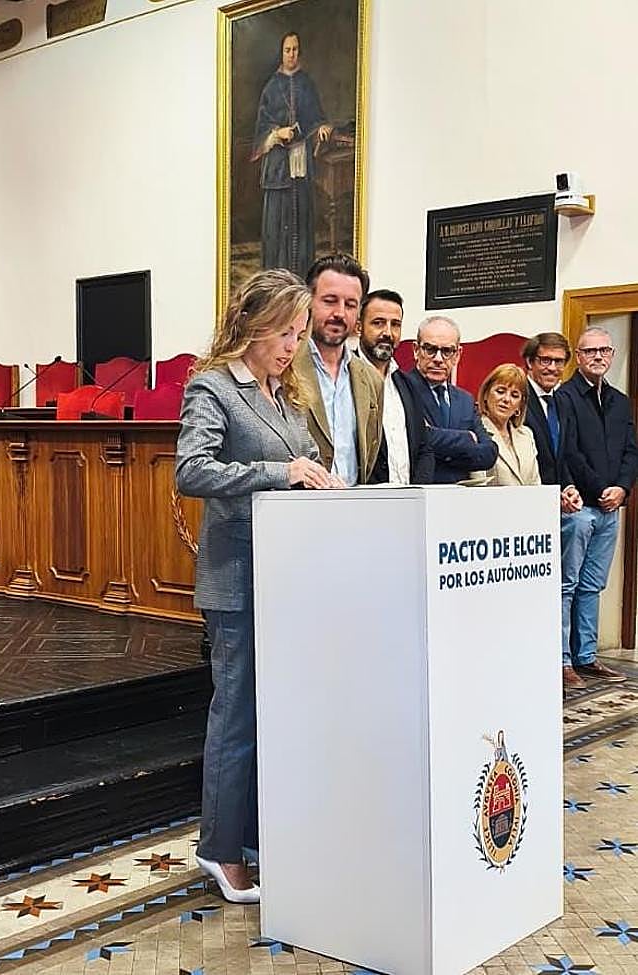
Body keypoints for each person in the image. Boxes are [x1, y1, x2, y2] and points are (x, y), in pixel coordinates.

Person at [175, 268, 340, 904]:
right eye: (286, 333)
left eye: (299, 334)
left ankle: (259, 837)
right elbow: (193, 469)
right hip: (238, 579)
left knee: (274, 716)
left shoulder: (284, 391)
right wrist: (283, 470)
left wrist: (319, 477)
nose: (293, 346)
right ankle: (220, 850)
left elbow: (301, 465)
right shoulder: (212, 386)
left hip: (287, 575)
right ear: (254, 325)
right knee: (236, 716)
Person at [557, 326, 638, 682]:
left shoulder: (621, 401)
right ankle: (563, 661)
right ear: (578, 355)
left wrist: (621, 488)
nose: (598, 356)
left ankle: (587, 655)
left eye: (605, 350)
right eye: (591, 351)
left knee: (593, 585)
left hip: (611, 509)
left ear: (612, 355)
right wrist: (600, 488)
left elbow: (631, 450)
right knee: (567, 584)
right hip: (581, 508)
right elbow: (569, 451)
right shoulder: (565, 397)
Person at [522, 332, 586, 689]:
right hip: (529, 506)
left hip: (557, 505)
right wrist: (548, 495)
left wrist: (570, 488)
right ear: (530, 362)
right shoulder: (519, 394)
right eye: (544, 360)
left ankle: (559, 660)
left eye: (558, 361)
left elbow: (567, 454)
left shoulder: (561, 401)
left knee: (561, 585)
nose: (551, 367)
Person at [297, 254, 383, 484]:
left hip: (352, 512)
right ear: (309, 302)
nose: (340, 313)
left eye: (350, 304)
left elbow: (368, 457)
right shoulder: (285, 367)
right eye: (330, 300)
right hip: (295, 510)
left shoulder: (372, 381)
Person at [252, 32, 332, 278]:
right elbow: (261, 129)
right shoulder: (271, 86)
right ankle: (277, 280)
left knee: (302, 216)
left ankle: (301, 278)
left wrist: (322, 127)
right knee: (278, 223)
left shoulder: (306, 83)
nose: (291, 54)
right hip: (278, 164)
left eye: (295, 49)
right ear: (281, 52)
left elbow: (315, 117)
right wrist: (277, 133)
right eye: (287, 49)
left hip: (300, 159)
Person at [404, 315, 498, 482]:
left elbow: (489, 454)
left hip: (457, 500)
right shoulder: (402, 389)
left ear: (458, 354)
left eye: (447, 351)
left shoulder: (465, 400)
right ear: (416, 350)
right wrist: (467, 439)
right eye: (430, 349)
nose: (438, 359)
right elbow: (417, 439)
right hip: (420, 496)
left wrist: (442, 450)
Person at [356, 288, 434, 484]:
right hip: (363, 502)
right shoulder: (345, 377)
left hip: (409, 503)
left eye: (395, 325)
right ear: (359, 327)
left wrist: (417, 492)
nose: (388, 333)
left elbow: (424, 448)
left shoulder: (408, 384)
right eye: (378, 323)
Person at [477, 363, 541, 486]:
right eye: (500, 391)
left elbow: (535, 483)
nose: (506, 399)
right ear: (486, 394)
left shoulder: (527, 434)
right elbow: (477, 485)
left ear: (520, 406)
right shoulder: (476, 433)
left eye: (514, 395)